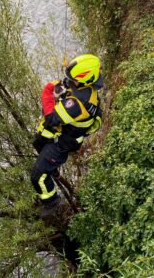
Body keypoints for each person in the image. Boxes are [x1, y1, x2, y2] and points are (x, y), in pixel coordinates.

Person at [31, 54, 104, 218]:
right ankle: (53, 170)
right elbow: (71, 85)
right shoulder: (86, 88)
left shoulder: (77, 104)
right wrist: (65, 85)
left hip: (61, 143)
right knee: (37, 143)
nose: (69, 81)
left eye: (73, 79)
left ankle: (51, 202)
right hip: (64, 135)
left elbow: (51, 118)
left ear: (86, 80)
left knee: (37, 175)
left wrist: (48, 90)